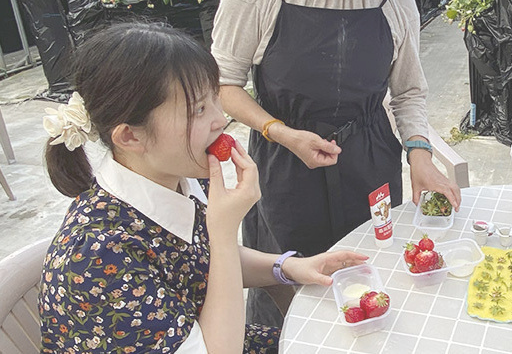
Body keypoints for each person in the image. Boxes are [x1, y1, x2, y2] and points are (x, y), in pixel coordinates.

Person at [211, 0, 461, 324]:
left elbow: (408, 90)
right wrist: (280, 131)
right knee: (290, 282)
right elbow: (224, 84)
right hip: (284, 162)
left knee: (372, 278)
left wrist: (420, 156)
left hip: (368, 162)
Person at [38, 23, 367, 354]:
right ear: (130, 136)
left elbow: (198, 259)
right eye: (198, 109)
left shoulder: (177, 175)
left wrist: (288, 267)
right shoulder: (96, 255)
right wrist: (224, 231)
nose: (220, 120)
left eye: (214, 99)